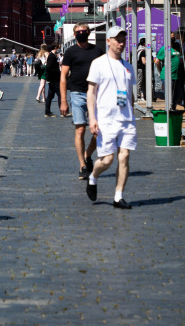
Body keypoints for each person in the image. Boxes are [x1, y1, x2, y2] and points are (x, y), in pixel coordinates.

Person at [85, 25, 137, 209]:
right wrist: (92, 118)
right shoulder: (98, 63)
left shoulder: (128, 66)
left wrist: (131, 112)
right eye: (117, 40)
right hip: (106, 118)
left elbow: (129, 95)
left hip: (126, 119)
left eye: (123, 40)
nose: (121, 43)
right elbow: (91, 92)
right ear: (108, 41)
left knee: (124, 157)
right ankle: (93, 176)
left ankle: (118, 196)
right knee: (107, 159)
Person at [60, 22, 104, 179]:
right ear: (74, 34)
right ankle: (83, 165)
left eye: (83, 31)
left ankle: (87, 154)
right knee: (80, 130)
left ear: (88, 32)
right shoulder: (70, 52)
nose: (80, 33)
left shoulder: (97, 50)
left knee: (98, 130)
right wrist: (63, 101)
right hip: (77, 93)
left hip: (97, 94)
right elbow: (63, 77)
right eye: (77, 31)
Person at [44, 44, 61, 117]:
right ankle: (62, 111)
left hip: (52, 79)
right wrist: (58, 71)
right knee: (60, 94)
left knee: (50, 96)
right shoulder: (51, 56)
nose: (58, 49)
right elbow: (48, 68)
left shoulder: (53, 55)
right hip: (53, 79)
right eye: (58, 48)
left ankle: (47, 111)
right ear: (55, 48)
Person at [135, 37, 147, 102]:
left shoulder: (138, 49)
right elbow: (143, 61)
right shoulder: (142, 51)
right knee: (139, 82)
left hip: (138, 68)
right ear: (144, 43)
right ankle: (137, 95)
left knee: (139, 82)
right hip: (140, 68)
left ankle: (139, 95)